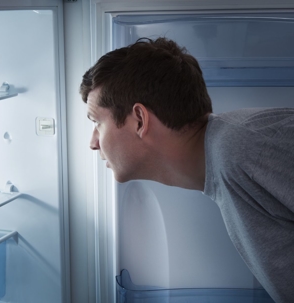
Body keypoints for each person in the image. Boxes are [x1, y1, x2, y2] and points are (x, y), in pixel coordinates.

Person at [80, 37, 294, 302]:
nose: (93, 143)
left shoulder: (242, 147)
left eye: (97, 123)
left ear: (139, 120)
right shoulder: (225, 160)